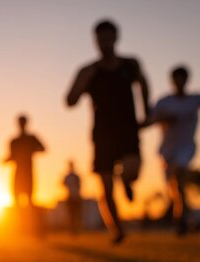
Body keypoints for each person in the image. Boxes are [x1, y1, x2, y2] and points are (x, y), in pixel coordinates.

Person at [66, 19, 150, 244]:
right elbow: (70, 100)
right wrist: (83, 81)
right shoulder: (89, 70)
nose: (104, 43)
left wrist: (147, 111)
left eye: (108, 37)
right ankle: (117, 230)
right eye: (99, 39)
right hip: (102, 133)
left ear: (116, 37)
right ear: (95, 41)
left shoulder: (130, 64)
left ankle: (127, 181)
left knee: (131, 170)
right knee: (105, 184)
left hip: (128, 130)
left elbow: (144, 84)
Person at [142, 66, 200, 235]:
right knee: (175, 188)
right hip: (167, 150)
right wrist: (164, 118)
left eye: (182, 78)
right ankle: (191, 220)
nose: (179, 82)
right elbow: (148, 121)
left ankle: (179, 221)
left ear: (187, 79)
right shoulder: (164, 102)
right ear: (172, 80)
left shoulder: (196, 99)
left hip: (186, 148)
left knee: (178, 177)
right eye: (176, 78)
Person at [3, 115, 46, 207]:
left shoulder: (31, 138)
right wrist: (6, 160)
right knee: (16, 197)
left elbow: (43, 149)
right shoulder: (14, 141)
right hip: (18, 171)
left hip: (28, 171)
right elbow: (11, 156)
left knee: (29, 197)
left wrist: (30, 150)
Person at [63, 160, 82, 232]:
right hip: (69, 197)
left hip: (76, 197)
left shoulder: (76, 176)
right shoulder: (67, 176)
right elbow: (63, 184)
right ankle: (72, 229)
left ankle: (76, 229)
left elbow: (80, 186)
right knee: (70, 214)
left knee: (76, 214)